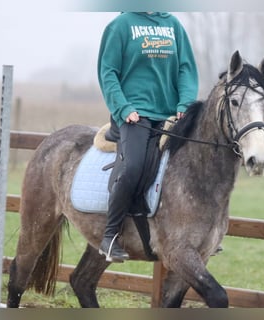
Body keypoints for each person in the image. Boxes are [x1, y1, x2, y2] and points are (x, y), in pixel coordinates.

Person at [97, 12, 199, 262]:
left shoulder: (173, 24)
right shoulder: (120, 25)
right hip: (134, 114)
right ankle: (110, 237)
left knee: (196, 163)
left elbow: (186, 68)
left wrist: (185, 102)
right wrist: (123, 108)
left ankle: (199, 234)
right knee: (133, 167)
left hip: (169, 114)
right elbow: (107, 72)